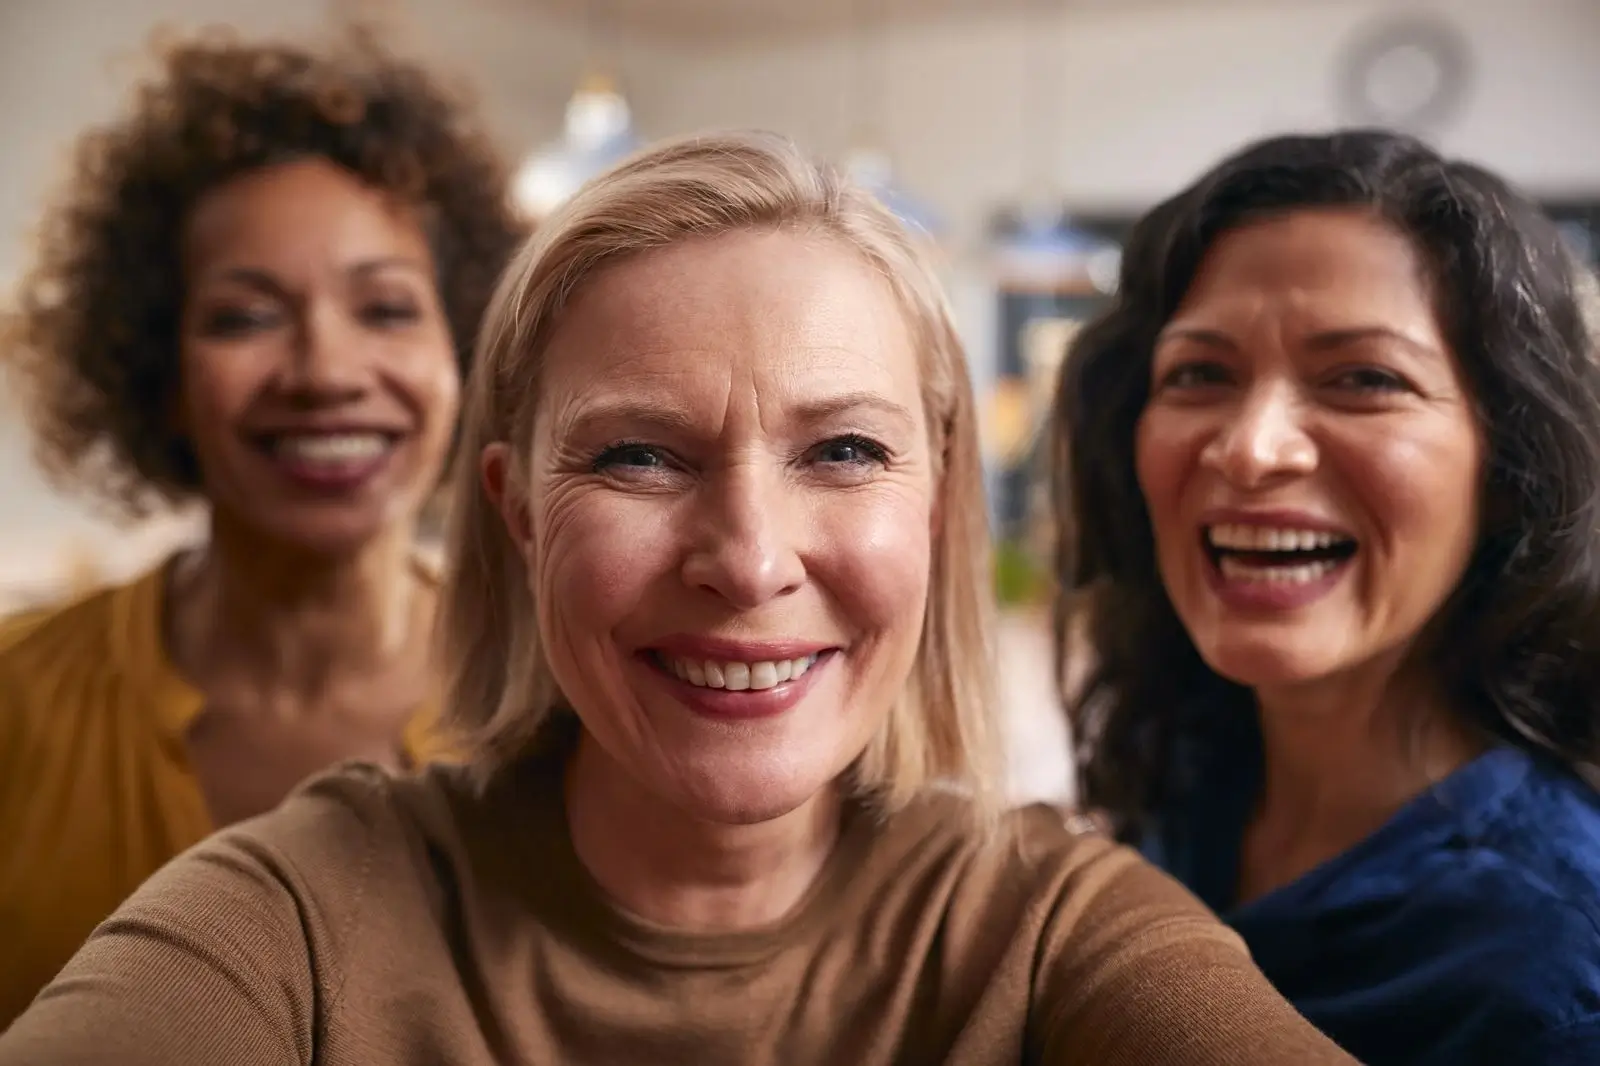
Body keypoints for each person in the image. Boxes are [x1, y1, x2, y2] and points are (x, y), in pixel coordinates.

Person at [0, 131, 1358, 1064]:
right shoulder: (294, 915)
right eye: (638, 454)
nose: (751, 556)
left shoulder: (1050, 932)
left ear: (938, 508)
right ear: (515, 510)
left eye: (843, 451)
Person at [0, 26, 524, 1023]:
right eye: (245, 317)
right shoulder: (16, 710)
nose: (326, 371)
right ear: (158, 377)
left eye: (386, 308)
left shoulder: (564, 706)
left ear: (464, 350)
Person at [1053, 128, 1600, 1065]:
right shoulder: (1185, 774)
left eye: (1364, 379)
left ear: (1506, 468)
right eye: (1200, 374)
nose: (1251, 446)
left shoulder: (1556, 968)